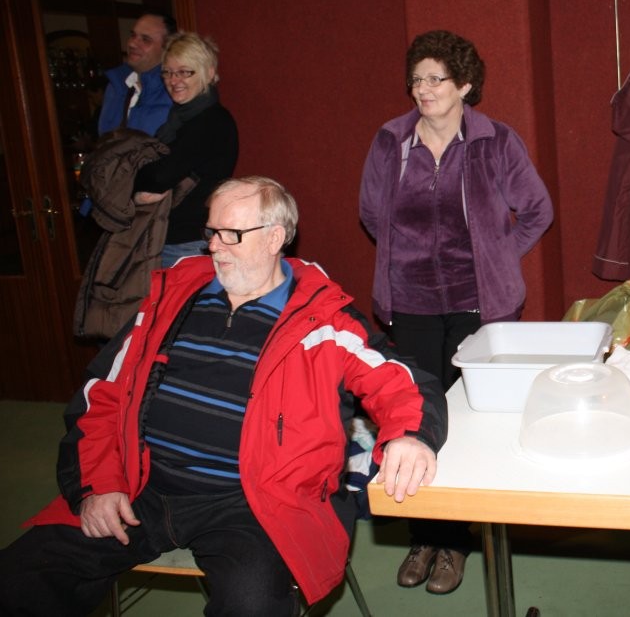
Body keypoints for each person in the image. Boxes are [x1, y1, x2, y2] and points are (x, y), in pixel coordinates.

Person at [0, 176, 447, 616]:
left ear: (274, 238)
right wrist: (100, 484)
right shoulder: (171, 297)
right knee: (20, 578)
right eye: (211, 231)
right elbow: (102, 395)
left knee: (252, 604)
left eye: (231, 234)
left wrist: (409, 436)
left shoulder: (322, 318)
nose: (214, 246)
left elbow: (400, 381)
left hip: (253, 504)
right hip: (140, 484)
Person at [359, 30, 553, 594]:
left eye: (436, 79)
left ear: (465, 85)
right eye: (416, 79)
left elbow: (537, 210)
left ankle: (459, 543)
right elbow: (371, 213)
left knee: (468, 422)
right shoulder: (390, 141)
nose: (423, 89)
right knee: (416, 417)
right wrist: (405, 257)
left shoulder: (496, 141)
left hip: (478, 303)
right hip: (411, 302)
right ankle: (425, 534)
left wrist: (498, 256)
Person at [133, 31, 239, 268]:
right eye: (168, 72)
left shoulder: (211, 121)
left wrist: (135, 179)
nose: (174, 80)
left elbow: (160, 176)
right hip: (171, 237)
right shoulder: (180, 119)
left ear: (208, 73)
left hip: (188, 242)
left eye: (184, 72)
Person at [97, 11, 176, 136]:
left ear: (167, 48)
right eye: (133, 35)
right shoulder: (115, 86)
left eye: (145, 39)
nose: (132, 44)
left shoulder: (174, 90)